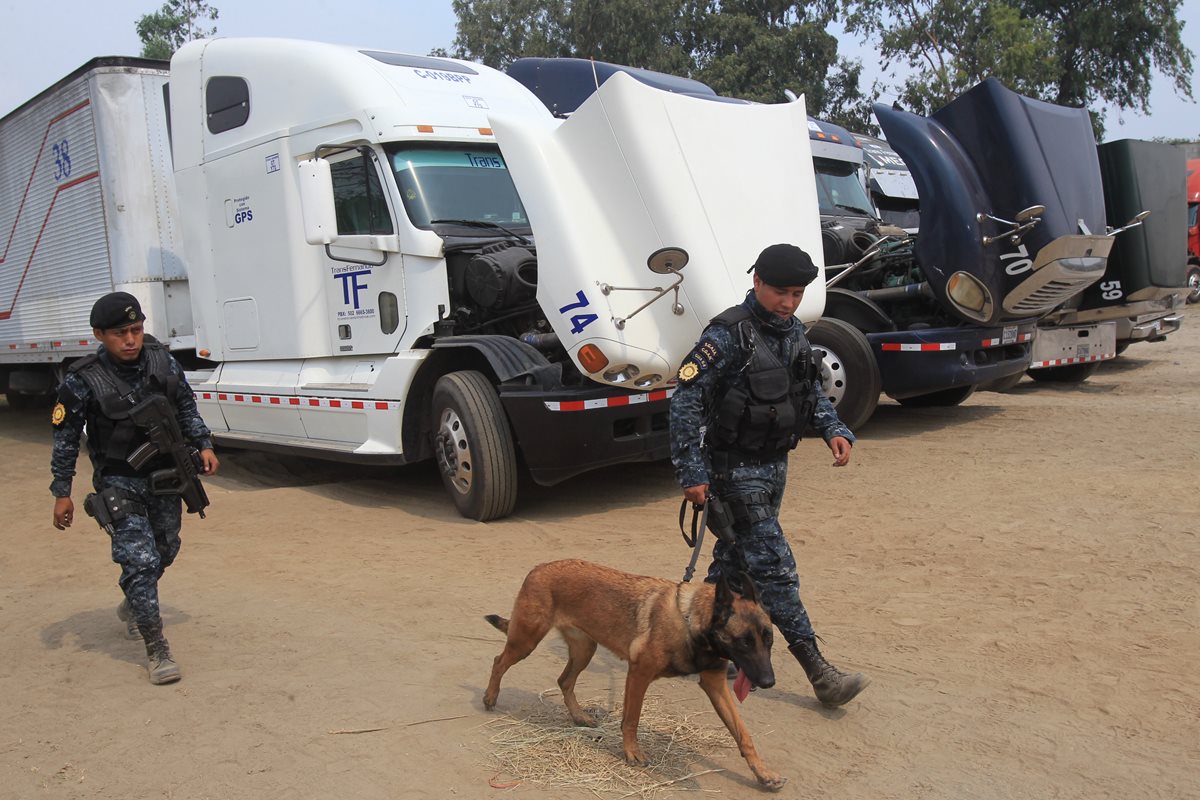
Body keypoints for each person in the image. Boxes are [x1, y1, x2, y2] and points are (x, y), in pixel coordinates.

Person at [669, 243, 869, 707]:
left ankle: (691, 643)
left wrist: (834, 428)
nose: (788, 302)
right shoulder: (726, 336)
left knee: (736, 564)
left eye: (797, 294)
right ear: (757, 281)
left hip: (774, 466)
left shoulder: (794, 332)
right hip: (733, 471)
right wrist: (691, 469)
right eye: (781, 292)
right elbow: (685, 400)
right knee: (775, 568)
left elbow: (809, 390)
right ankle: (819, 672)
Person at [50, 291, 218, 685]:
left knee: (166, 550)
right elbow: (66, 439)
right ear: (99, 334)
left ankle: (134, 600)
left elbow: (186, 406)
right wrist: (62, 492)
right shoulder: (83, 379)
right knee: (140, 562)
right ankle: (157, 648)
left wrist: (204, 444)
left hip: (166, 476)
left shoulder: (162, 361)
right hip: (119, 481)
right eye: (120, 333)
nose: (130, 340)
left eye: (137, 330)